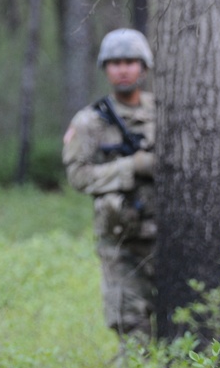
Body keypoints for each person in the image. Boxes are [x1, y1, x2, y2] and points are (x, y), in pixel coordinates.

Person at [62, 28, 157, 339]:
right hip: (121, 242)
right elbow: (78, 176)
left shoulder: (163, 114)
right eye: (115, 63)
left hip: (167, 237)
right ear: (106, 68)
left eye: (130, 61)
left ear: (143, 66)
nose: (123, 69)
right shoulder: (90, 121)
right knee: (131, 327)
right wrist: (132, 167)